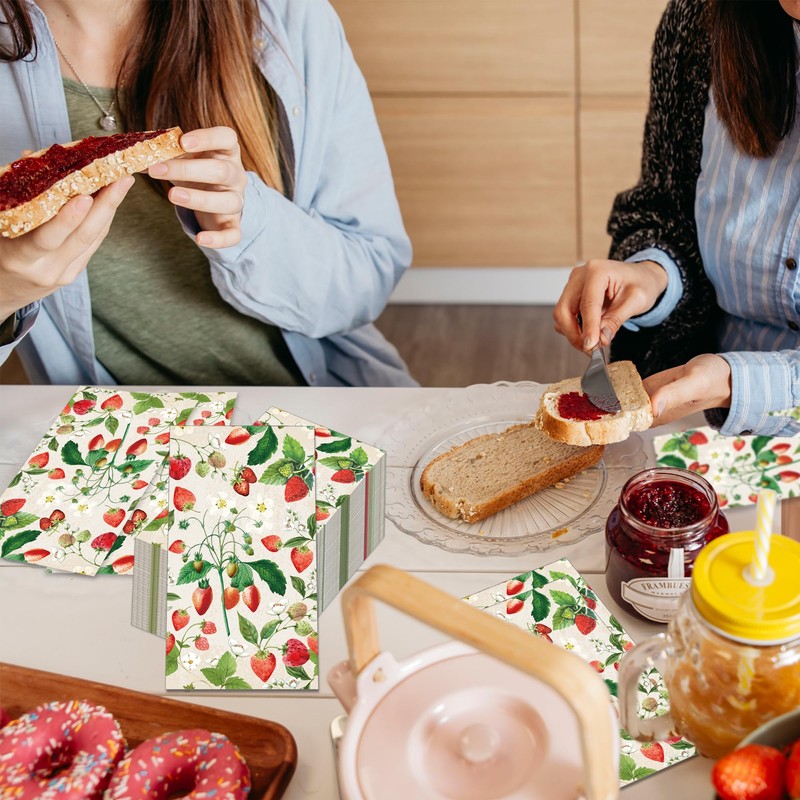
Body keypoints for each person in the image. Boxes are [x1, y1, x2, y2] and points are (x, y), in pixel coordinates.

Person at [0, 0, 416, 388]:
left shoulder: (288, 17)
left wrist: (250, 226)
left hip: (327, 406)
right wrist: (5, 293)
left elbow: (368, 280)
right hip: (116, 441)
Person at [554, 0, 799, 437]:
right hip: (701, 414)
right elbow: (662, 207)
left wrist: (735, 382)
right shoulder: (699, 20)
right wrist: (653, 274)